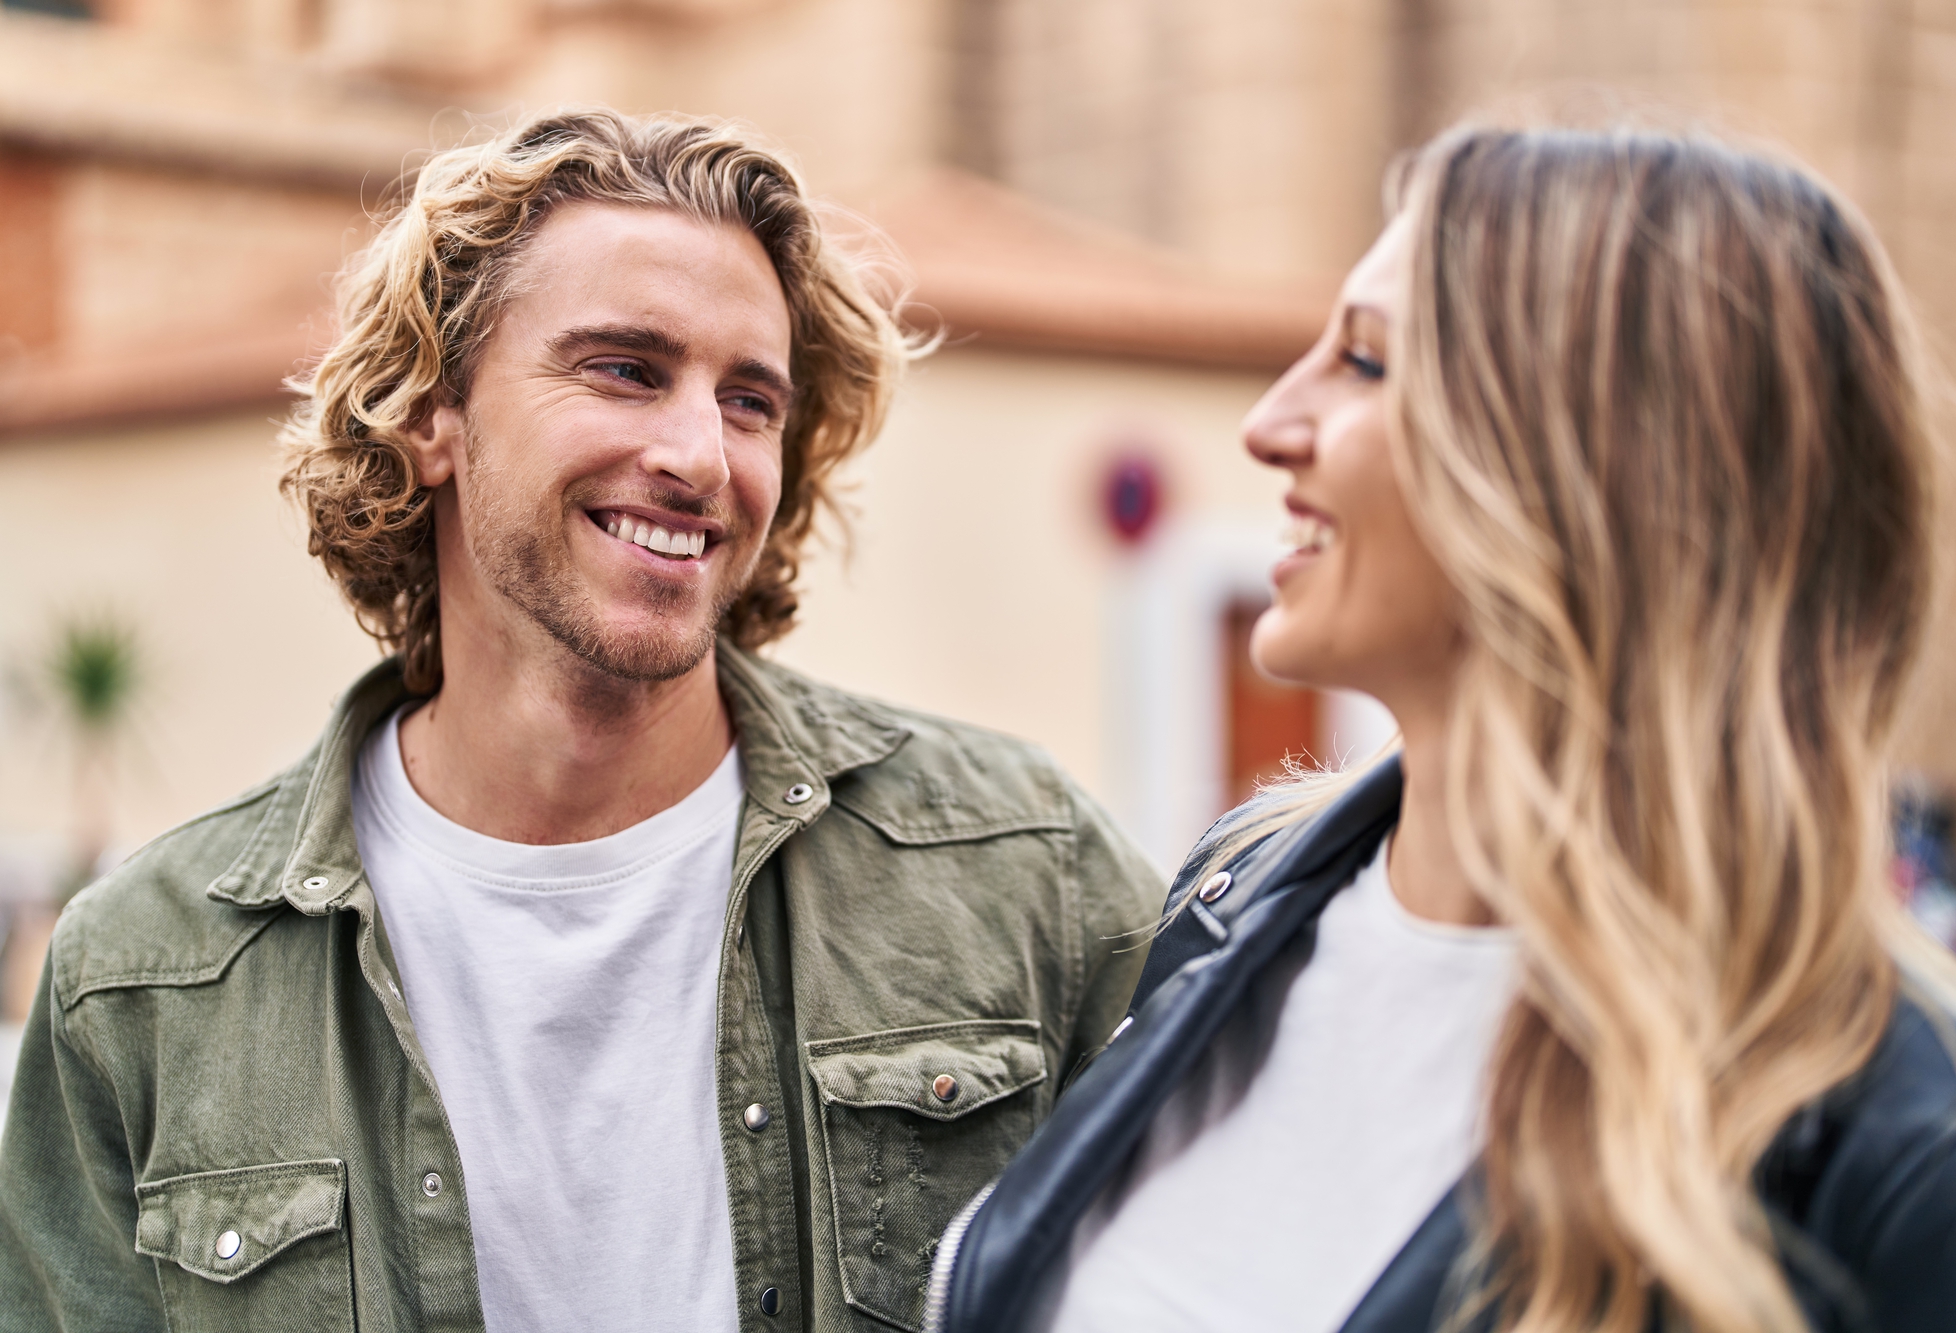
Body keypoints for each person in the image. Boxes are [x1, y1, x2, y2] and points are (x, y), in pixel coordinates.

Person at [0, 110, 1162, 1333]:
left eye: (750, 400)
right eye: (626, 370)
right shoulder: (144, 982)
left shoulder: (1027, 872)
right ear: (431, 413)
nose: (701, 456)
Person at [925, 125, 1956, 1333]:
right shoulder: (1236, 893)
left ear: (1595, 471)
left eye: (1367, 364)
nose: (1270, 419)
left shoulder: (1913, 1146)